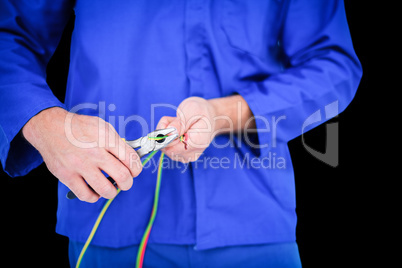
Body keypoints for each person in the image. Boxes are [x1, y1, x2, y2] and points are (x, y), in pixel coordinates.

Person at [0, 1, 362, 267]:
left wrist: (222, 114)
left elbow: (334, 64)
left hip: (252, 221)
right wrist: (44, 124)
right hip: (107, 219)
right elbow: (9, 35)